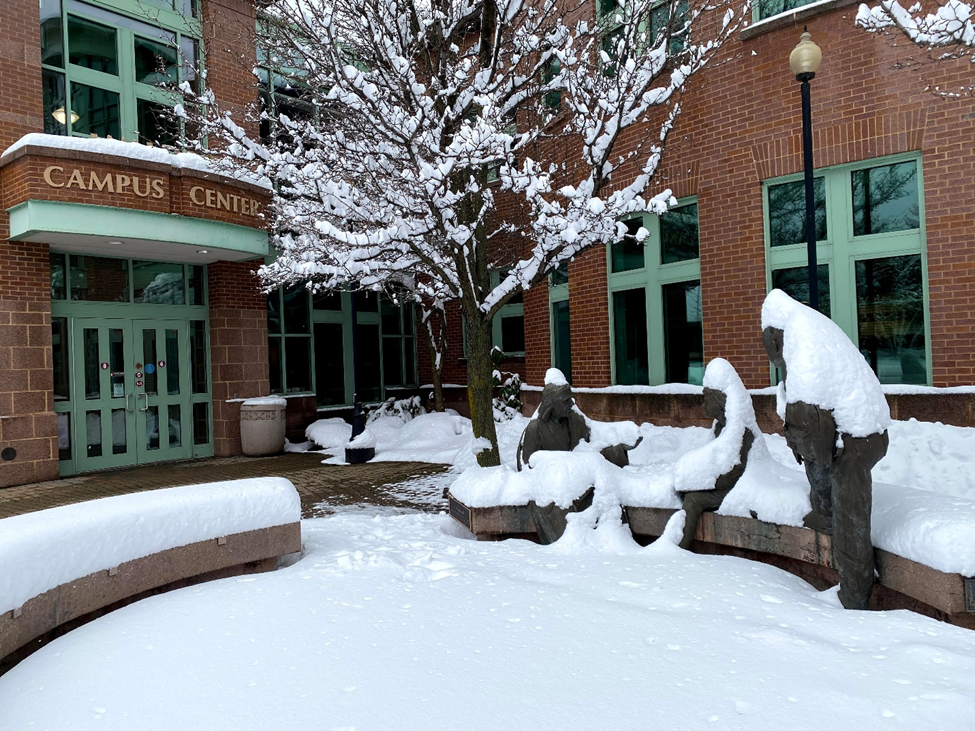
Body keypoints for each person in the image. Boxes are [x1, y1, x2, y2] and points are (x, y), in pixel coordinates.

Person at [762, 290, 889, 610]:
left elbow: (810, 419)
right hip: (847, 426)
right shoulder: (801, 327)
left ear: (772, 336)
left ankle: (855, 593)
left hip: (859, 434)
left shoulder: (802, 337)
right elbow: (803, 416)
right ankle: (827, 516)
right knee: (821, 474)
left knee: (850, 510)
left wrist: (801, 444)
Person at [674, 359, 761, 550]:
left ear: (719, 400)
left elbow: (733, 471)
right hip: (721, 484)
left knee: (694, 500)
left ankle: (680, 547)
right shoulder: (720, 426)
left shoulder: (740, 429)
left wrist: (703, 482)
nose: (703, 404)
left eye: (707, 399)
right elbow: (710, 457)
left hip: (738, 488)